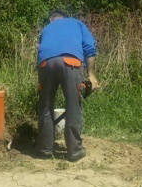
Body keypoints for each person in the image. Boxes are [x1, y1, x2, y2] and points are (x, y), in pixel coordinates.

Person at [36, 9, 99, 162]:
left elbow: (40, 53)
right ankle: (74, 151)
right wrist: (91, 75)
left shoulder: (46, 29)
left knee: (45, 106)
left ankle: (44, 150)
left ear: (51, 20)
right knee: (73, 106)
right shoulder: (76, 23)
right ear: (64, 17)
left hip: (46, 64)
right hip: (71, 62)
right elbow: (89, 48)